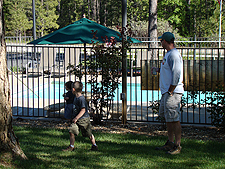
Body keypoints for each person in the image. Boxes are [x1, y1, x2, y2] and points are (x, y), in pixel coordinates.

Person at [152, 32, 184, 155]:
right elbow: (170, 70)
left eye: (161, 41)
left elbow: (176, 74)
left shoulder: (174, 55)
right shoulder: (169, 54)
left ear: (165, 41)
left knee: (174, 119)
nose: (160, 43)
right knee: (169, 118)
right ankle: (170, 142)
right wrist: (158, 70)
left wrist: (171, 90)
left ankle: (177, 145)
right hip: (167, 92)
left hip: (173, 92)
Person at [62, 81, 98, 151]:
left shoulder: (81, 99)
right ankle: (71, 146)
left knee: (89, 134)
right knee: (71, 131)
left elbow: (83, 110)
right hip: (76, 119)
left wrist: (76, 117)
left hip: (84, 119)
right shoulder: (76, 97)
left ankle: (94, 145)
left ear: (73, 89)